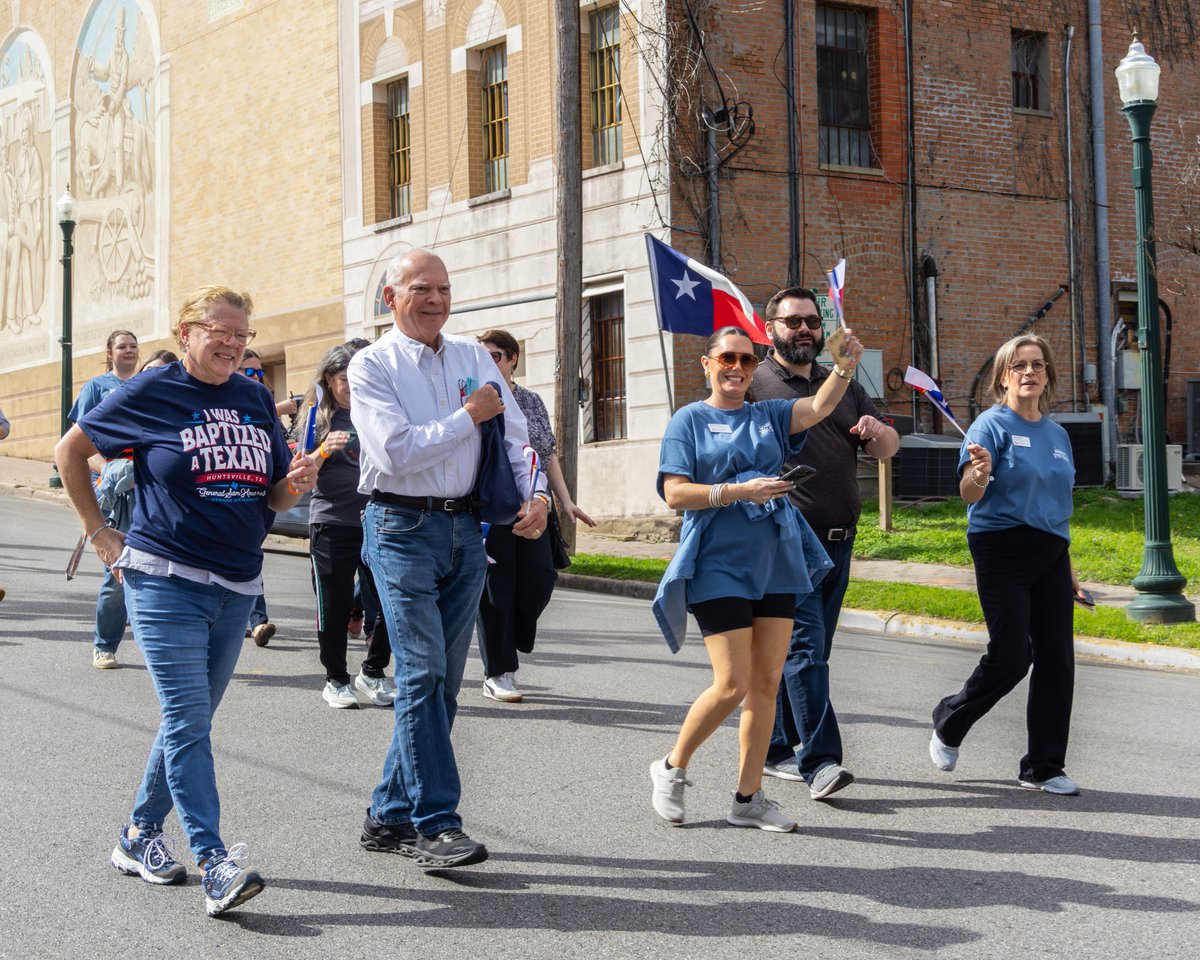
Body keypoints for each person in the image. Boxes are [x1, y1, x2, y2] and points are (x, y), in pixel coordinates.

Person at [54, 285, 316, 916]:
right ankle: (215, 861)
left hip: (236, 583)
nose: (233, 344)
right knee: (189, 719)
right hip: (163, 577)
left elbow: (273, 497)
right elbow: (71, 451)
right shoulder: (154, 391)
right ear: (186, 331)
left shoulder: (254, 397)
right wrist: (99, 532)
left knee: (186, 723)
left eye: (242, 334)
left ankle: (138, 835)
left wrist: (294, 481)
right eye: (220, 331)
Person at [350, 249, 549, 869]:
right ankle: (436, 824)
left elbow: (518, 438)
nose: (436, 299)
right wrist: (468, 415)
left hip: (467, 527)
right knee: (421, 673)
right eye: (420, 289)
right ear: (391, 298)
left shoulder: (471, 356)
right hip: (399, 525)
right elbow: (395, 454)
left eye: (443, 289)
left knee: (441, 681)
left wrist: (538, 493)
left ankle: (388, 814)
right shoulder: (371, 366)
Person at [650, 322, 864, 832]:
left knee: (766, 683)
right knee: (731, 683)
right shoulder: (690, 420)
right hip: (717, 563)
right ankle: (671, 767)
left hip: (776, 560)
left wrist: (843, 366)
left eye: (747, 361)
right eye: (727, 359)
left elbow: (819, 407)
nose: (738, 369)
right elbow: (676, 493)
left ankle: (748, 798)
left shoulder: (767, 414)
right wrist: (736, 493)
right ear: (707, 364)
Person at [752, 287, 899, 800]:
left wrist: (878, 430)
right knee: (807, 648)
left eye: (811, 321)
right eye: (792, 321)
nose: (804, 330)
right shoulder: (755, 382)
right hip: (786, 540)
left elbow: (885, 448)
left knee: (805, 651)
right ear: (770, 328)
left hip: (839, 541)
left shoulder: (843, 384)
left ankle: (772, 747)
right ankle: (820, 763)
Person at [929, 334, 1085, 796]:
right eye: (1019, 366)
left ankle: (1043, 767)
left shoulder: (1058, 435)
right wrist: (977, 473)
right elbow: (968, 494)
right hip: (1001, 547)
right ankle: (950, 721)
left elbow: (1059, 507)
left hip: (1052, 553)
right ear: (1003, 376)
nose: (1030, 373)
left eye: (1037, 365)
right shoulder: (988, 426)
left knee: (1058, 660)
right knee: (1014, 656)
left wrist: (1069, 564)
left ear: (1047, 373)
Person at [474, 328, 595, 703]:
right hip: (492, 510)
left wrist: (565, 500)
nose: (488, 363)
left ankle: (512, 639)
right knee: (498, 591)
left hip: (535, 504)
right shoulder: (475, 399)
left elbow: (547, 453)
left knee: (541, 579)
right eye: (482, 357)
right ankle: (499, 671)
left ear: (512, 359)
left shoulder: (530, 400)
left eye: (495, 355)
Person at [308, 342, 396, 709]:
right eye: (345, 379)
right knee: (337, 604)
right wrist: (323, 450)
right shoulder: (316, 417)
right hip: (332, 522)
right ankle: (336, 679)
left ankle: (373, 672)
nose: (352, 385)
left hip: (380, 521)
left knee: (395, 602)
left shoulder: (376, 411)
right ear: (329, 380)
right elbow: (300, 473)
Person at [69, 329, 140, 669]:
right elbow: (78, 449)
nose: (129, 351)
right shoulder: (97, 388)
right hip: (116, 496)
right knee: (118, 572)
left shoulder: (146, 385)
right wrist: (109, 470)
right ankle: (105, 645)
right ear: (109, 353)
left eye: (133, 346)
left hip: (151, 491)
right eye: (122, 346)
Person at [238, 348, 288, 646]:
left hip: (265, 496)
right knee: (247, 554)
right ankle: (258, 621)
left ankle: (250, 617)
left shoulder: (264, 404)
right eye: (250, 372)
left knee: (249, 553)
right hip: (232, 496)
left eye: (260, 373)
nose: (257, 378)